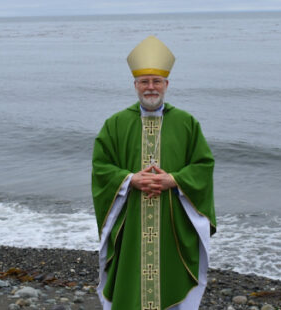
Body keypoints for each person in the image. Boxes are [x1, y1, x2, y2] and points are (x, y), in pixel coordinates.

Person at [91, 35, 216, 310]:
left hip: (172, 225)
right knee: (131, 286)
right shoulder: (115, 124)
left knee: (171, 286)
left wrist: (175, 179)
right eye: (144, 81)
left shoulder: (186, 123)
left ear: (166, 84)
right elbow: (101, 167)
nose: (150, 87)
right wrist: (130, 179)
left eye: (156, 81)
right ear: (135, 85)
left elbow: (204, 165)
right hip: (132, 221)